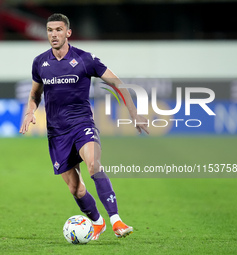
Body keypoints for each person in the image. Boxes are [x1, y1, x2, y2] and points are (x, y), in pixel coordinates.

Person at [19, 13, 149, 240]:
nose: (54, 34)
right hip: (57, 133)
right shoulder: (40, 62)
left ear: (68, 33)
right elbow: (34, 94)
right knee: (76, 189)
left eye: (59, 30)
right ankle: (97, 223)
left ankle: (116, 220)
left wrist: (134, 113)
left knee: (94, 164)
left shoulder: (84, 59)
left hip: (82, 125)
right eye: (50, 30)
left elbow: (117, 83)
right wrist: (30, 111)